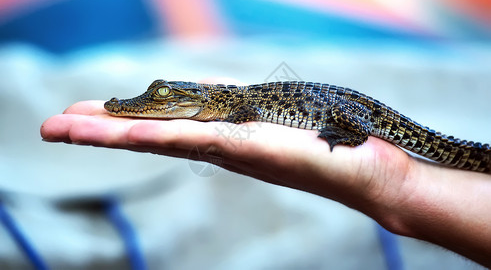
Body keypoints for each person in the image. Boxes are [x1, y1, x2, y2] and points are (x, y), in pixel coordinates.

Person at [40, 79, 491, 268]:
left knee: (362, 127)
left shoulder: (239, 104)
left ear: (191, 97)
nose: (141, 104)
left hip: (359, 115)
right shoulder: (225, 100)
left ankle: (352, 134)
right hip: (349, 107)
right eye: (157, 96)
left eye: (162, 97)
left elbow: (252, 109)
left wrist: (392, 177)